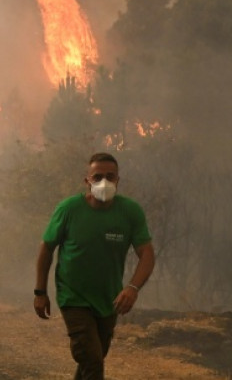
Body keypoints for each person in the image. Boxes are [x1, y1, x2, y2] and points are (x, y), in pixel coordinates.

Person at [33, 152, 156, 380]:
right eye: (97, 177)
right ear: (87, 181)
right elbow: (46, 248)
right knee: (91, 359)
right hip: (73, 297)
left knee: (95, 359)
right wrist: (40, 292)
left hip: (109, 300)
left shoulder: (130, 212)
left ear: (118, 180)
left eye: (110, 176)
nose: (104, 182)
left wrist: (132, 288)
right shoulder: (69, 209)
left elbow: (146, 254)